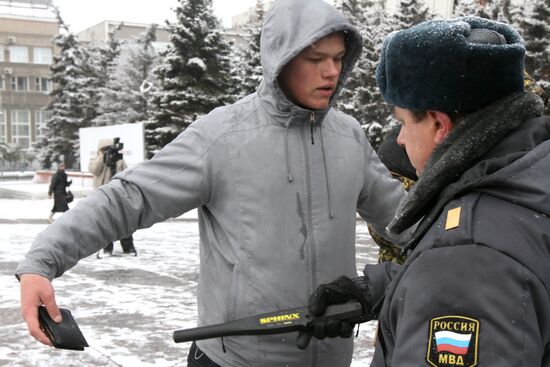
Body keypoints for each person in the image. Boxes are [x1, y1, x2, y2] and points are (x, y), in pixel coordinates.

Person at [15, 0, 410, 366]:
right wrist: (42, 261)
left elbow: (405, 220)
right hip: (234, 358)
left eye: (339, 58)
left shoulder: (349, 137)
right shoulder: (224, 137)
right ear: (281, 58)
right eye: (315, 58)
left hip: (331, 358)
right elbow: (128, 198)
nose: (332, 72)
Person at [300, 17, 550, 366]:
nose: (399, 139)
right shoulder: (527, 173)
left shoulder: (465, 253)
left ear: (439, 125)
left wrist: (436, 280)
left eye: (403, 121)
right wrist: (375, 291)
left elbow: (465, 274)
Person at [88, 137, 136, 256]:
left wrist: (117, 161)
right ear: (99, 150)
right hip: (102, 195)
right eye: (104, 149)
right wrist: (102, 158)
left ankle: (128, 248)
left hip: (118, 194)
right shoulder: (95, 160)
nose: (107, 151)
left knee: (124, 222)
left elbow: (126, 173)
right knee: (105, 223)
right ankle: (107, 248)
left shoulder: (118, 159)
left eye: (108, 149)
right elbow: (93, 170)